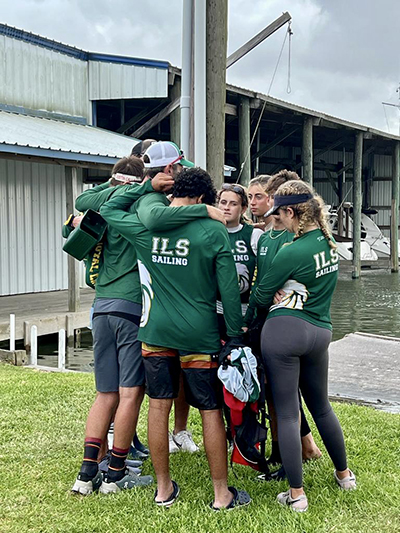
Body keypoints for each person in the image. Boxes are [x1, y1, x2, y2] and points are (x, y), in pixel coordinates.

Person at [100, 167, 251, 509]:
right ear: (201, 199)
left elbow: (108, 210)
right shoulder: (214, 231)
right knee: (210, 410)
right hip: (200, 334)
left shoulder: (145, 228)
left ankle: (163, 489)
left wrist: (145, 186)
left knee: (158, 406)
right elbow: (228, 291)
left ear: (175, 193)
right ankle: (220, 494)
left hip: (154, 330)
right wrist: (234, 333)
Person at [70, 155, 203, 495]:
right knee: (131, 394)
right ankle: (115, 475)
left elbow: (85, 200)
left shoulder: (105, 203)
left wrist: (124, 183)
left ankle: (86, 476)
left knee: (105, 394)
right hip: (132, 308)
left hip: (101, 306)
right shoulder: (145, 206)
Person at [250, 180, 356, 512]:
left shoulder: (291, 251)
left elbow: (259, 296)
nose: (276, 220)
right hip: (320, 331)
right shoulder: (329, 243)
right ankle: (345, 475)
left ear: (293, 212)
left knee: (287, 412)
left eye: (279, 214)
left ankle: (296, 495)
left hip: (284, 332)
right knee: (321, 406)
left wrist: (279, 291)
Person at [246, 170, 322, 467]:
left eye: (261, 197)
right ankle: (301, 447)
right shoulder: (264, 235)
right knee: (276, 393)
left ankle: (291, 455)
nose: (257, 203)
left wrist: (275, 292)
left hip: (283, 323)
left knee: (286, 397)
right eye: (250, 197)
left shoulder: (293, 239)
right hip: (272, 321)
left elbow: (278, 282)